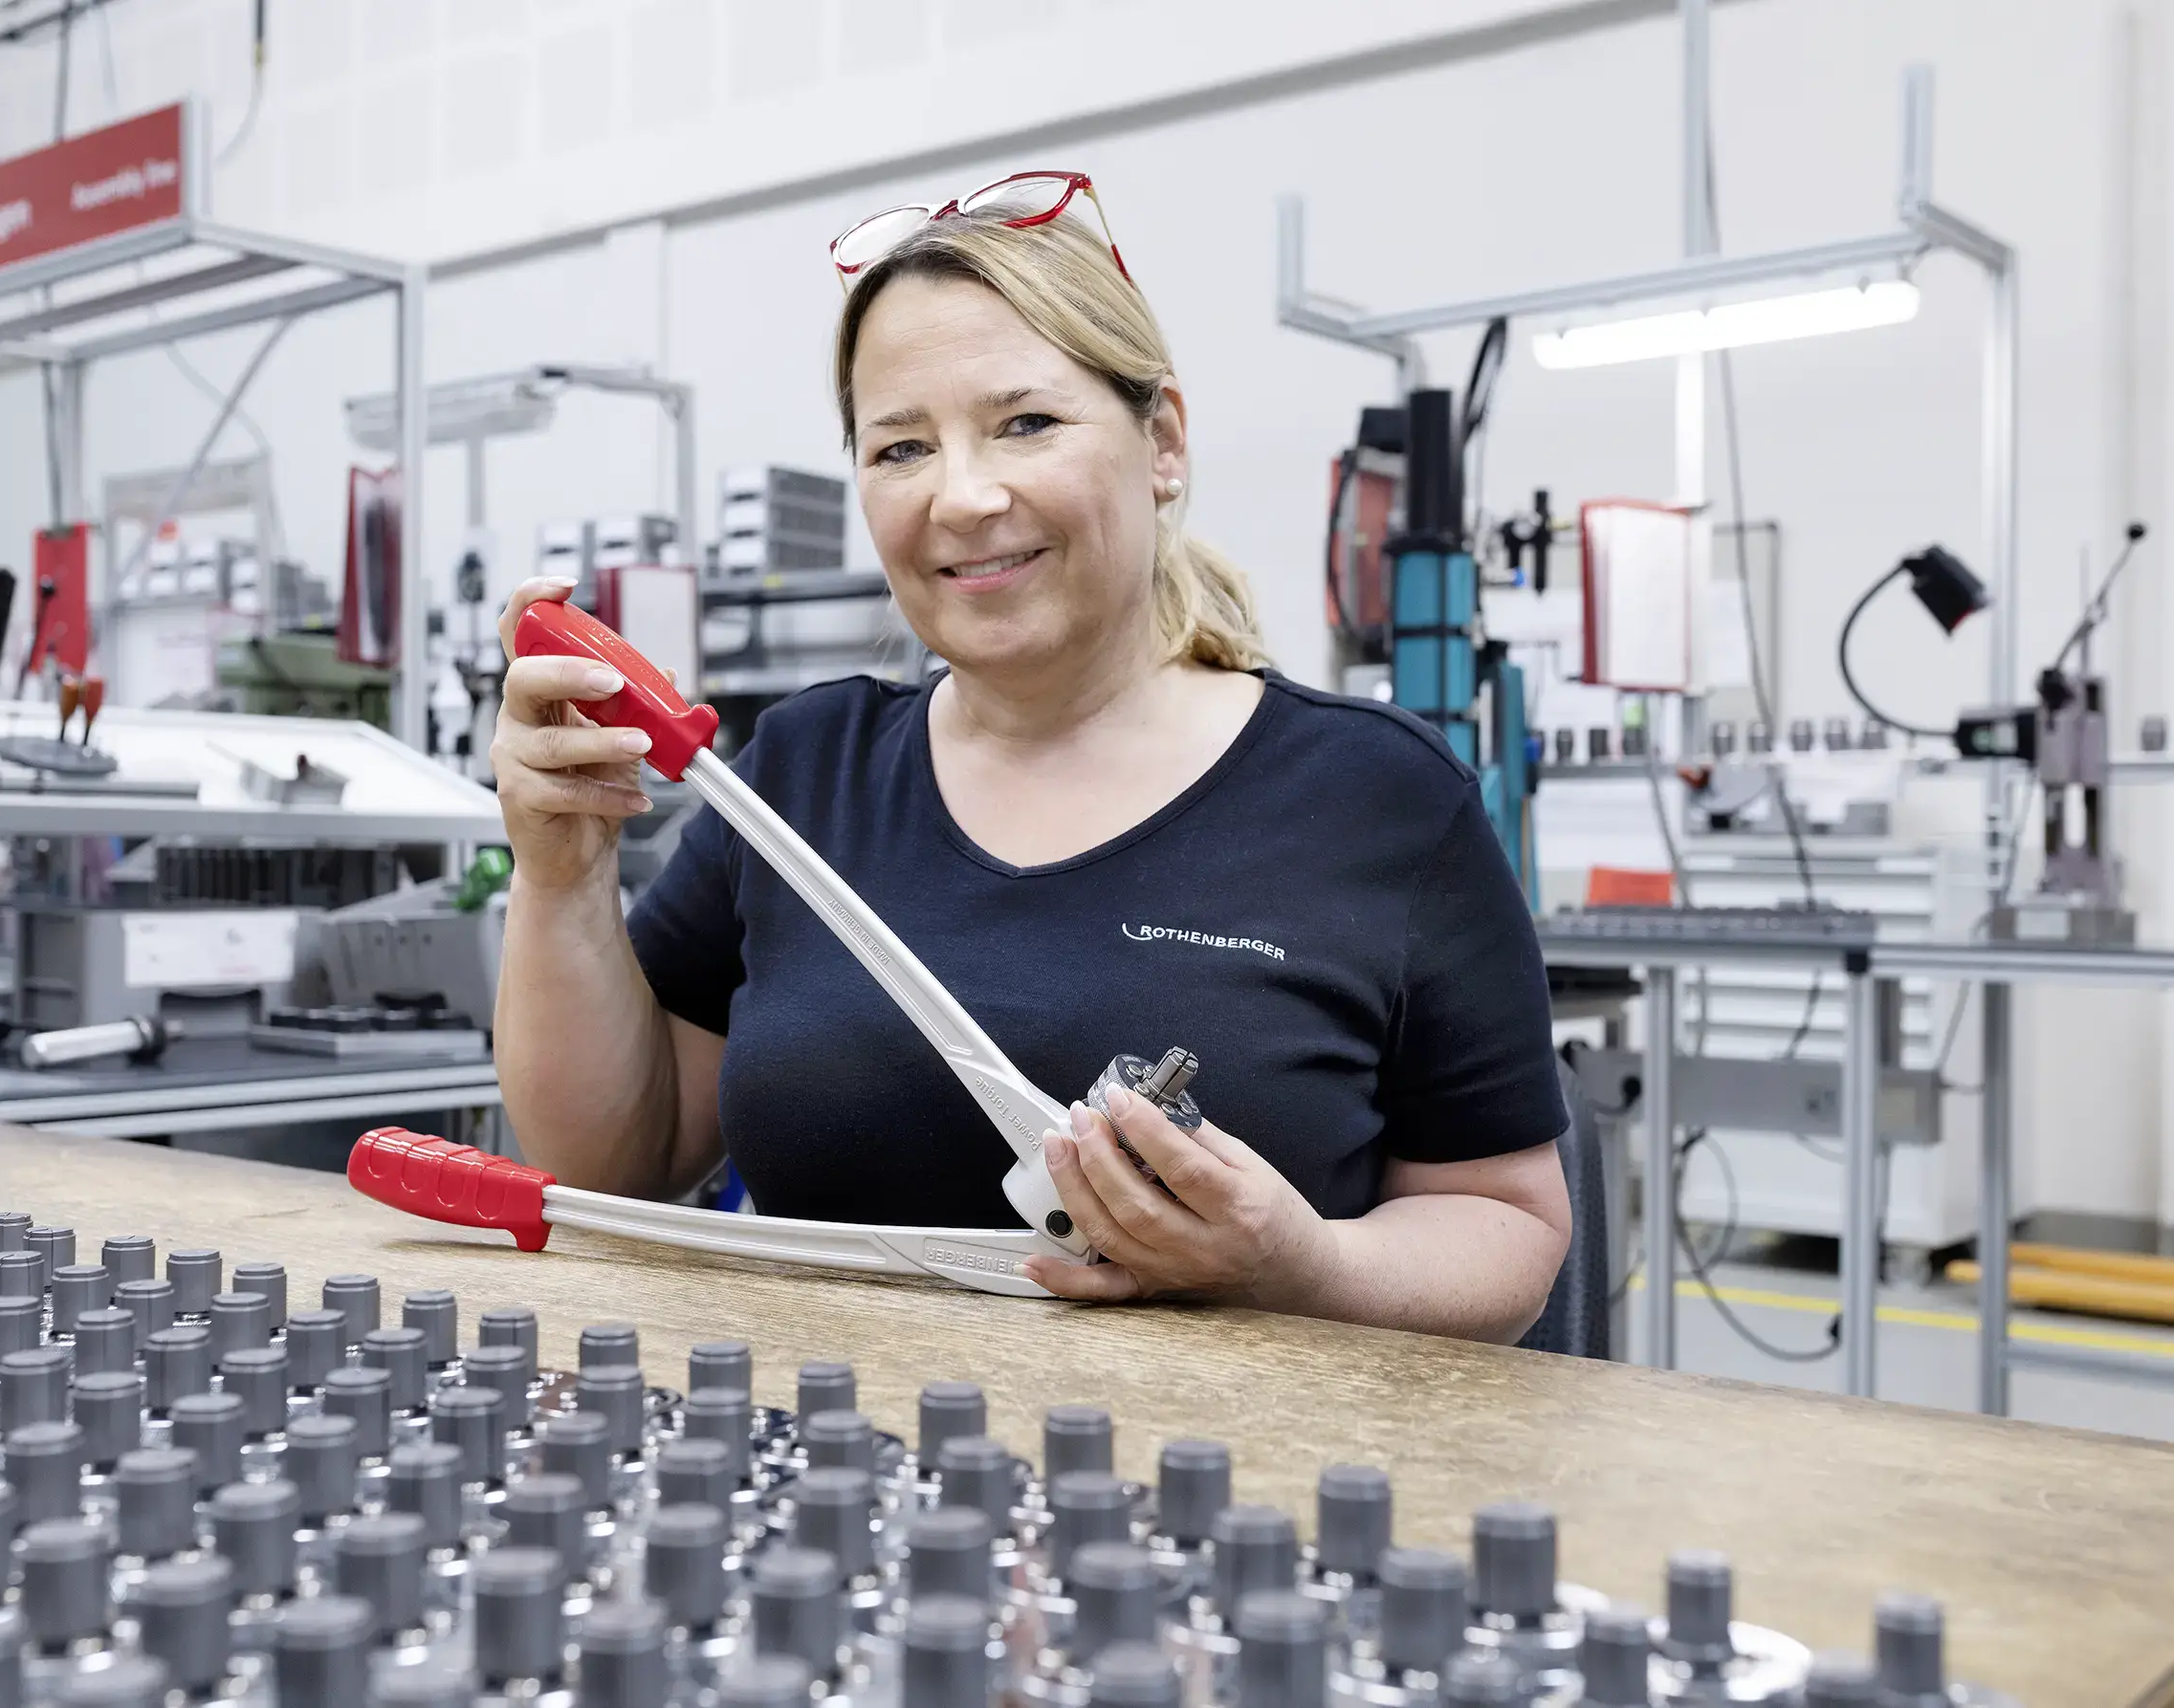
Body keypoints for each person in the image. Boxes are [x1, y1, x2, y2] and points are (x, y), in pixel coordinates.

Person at [490, 171, 1570, 1342]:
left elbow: (1504, 1219)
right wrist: (559, 877)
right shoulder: (802, 776)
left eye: (1026, 422)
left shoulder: (1379, 798)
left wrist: (1297, 1264)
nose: (963, 496)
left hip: (1228, 1495)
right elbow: (620, 1158)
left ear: (1160, 440)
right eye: (900, 447)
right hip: (820, 1477)